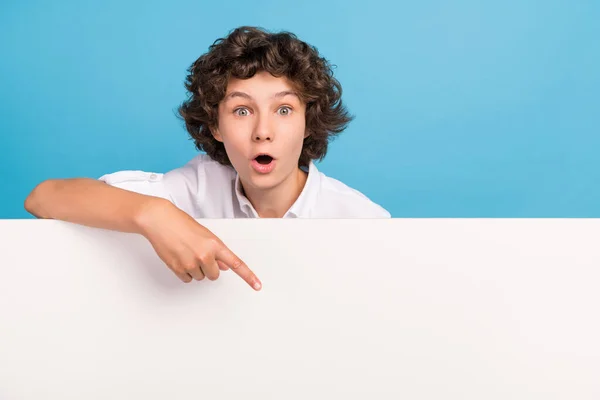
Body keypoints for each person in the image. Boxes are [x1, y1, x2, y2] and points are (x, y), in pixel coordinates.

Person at [24, 26, 391, 291]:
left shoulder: (364, 221)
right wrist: (153, 214)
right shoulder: (196, 187)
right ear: (215, 126)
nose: (263, 131)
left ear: (308, 122)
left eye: (283, 109)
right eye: (242, 111)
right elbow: (42, 198)